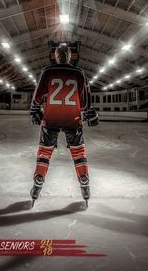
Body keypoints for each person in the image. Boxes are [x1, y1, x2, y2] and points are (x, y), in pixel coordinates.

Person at [29, 43, 99, 206]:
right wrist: (90, 114)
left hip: (50, 119)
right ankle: (84, 181)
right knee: (79, 152)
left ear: (55, 56)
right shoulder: (79, 73)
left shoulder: (47, 71)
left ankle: (38, 181)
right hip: (72, 119)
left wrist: (35, 111)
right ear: (69, 57)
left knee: (44, 152)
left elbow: (37, 96)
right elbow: (85, 101)